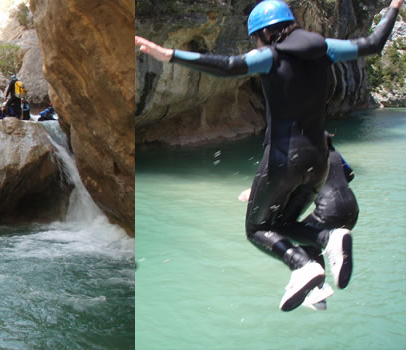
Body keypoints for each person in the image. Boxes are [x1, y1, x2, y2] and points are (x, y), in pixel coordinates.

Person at [136, 0, 402, 311]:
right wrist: (394, 6)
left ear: (264, 33)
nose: (256, 43)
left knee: (257, 229)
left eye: (256, 38)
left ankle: (307, 262)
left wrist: (169, 55)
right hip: (318, 162)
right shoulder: (324, 48)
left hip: (284, 157)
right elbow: (373, 44)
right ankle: (321, 255)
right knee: (282, 223)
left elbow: (228, 66)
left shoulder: (270, 56)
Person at [238, 132, 360, 310]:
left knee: (286, 231)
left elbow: (292, 178)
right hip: (351, 210)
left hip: (330, 209)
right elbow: (349, 175)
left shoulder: (308, 154)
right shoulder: (334, 154)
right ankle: (319, 286)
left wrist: (255, 192)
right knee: (308, 241)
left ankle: (318, 287)